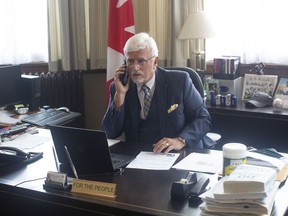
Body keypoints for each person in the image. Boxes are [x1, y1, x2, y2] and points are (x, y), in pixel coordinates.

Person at [102, 32, 213, 153]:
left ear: (155, 62)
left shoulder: (180, 82)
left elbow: (203, 119)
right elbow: (110, 133)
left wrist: (181, 140)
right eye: (130, 61)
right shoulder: (119, 88)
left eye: (141, 61)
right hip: (139, 155)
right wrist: (120, 95)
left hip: (178, 152)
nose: (135, 67)